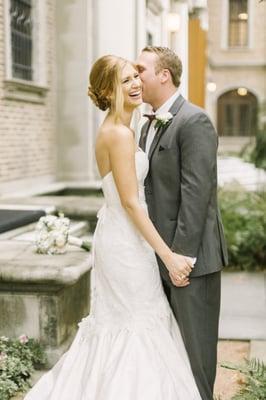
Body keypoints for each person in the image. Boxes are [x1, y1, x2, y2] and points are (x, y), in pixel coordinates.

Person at [24, 55, 202, 400]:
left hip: (124, 237)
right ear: (108, 89)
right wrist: (169, 256)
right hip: (126, 244)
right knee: (134, 324)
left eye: (136, 76)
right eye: (125, 80)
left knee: (135, 320)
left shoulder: (122, 127)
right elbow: (132, 203)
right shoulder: (118, 134)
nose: (136, 83)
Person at [136, 46, 228, 400]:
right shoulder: (147, 123)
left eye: (141, 69)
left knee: (196, 353)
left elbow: (196, 195)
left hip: (191, 261)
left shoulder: (195, 120)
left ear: (164, 75)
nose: (135, 76)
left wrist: (181, 259)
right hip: (159, 258)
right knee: (169, 351)